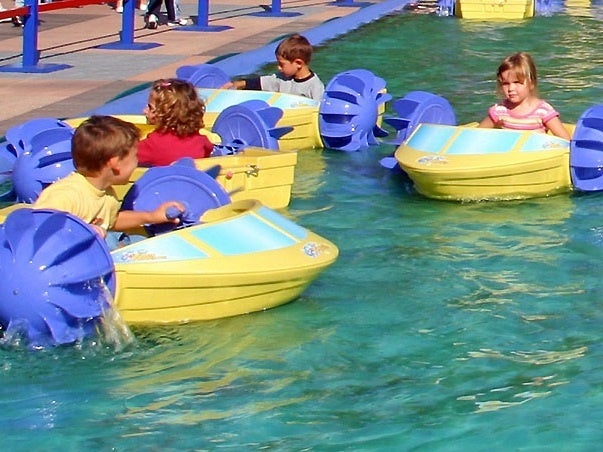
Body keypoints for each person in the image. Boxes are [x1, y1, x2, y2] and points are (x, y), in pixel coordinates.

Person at [33, 115, 184, 240]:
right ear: (116, 163)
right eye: (134, 156)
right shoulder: (65, 196)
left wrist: (152, 217)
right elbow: (38, 232)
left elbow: (112, 221)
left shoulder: (107, 194)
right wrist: (84, 232)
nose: (137, 161)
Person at [479, 52, 570, 140]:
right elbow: (477, 135)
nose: (511, 88)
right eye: (505, 83)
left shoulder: (543, 111)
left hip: (535, 150)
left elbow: (566, 141)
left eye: (517, 82)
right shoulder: (499, 111)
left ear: (531, 83)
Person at [221, 34, 324, 101]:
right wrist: (239, 84)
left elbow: (319, 114)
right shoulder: (282, 79)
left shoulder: (315, 87)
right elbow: (261, 83)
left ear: (298, 63)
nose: (279, 68)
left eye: (282, 64)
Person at [137, 78, 214, 167]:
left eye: (150, 107)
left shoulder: (152, 144)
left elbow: (126, 157)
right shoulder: (201, 141)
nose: (144, 111)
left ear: (165, 114)